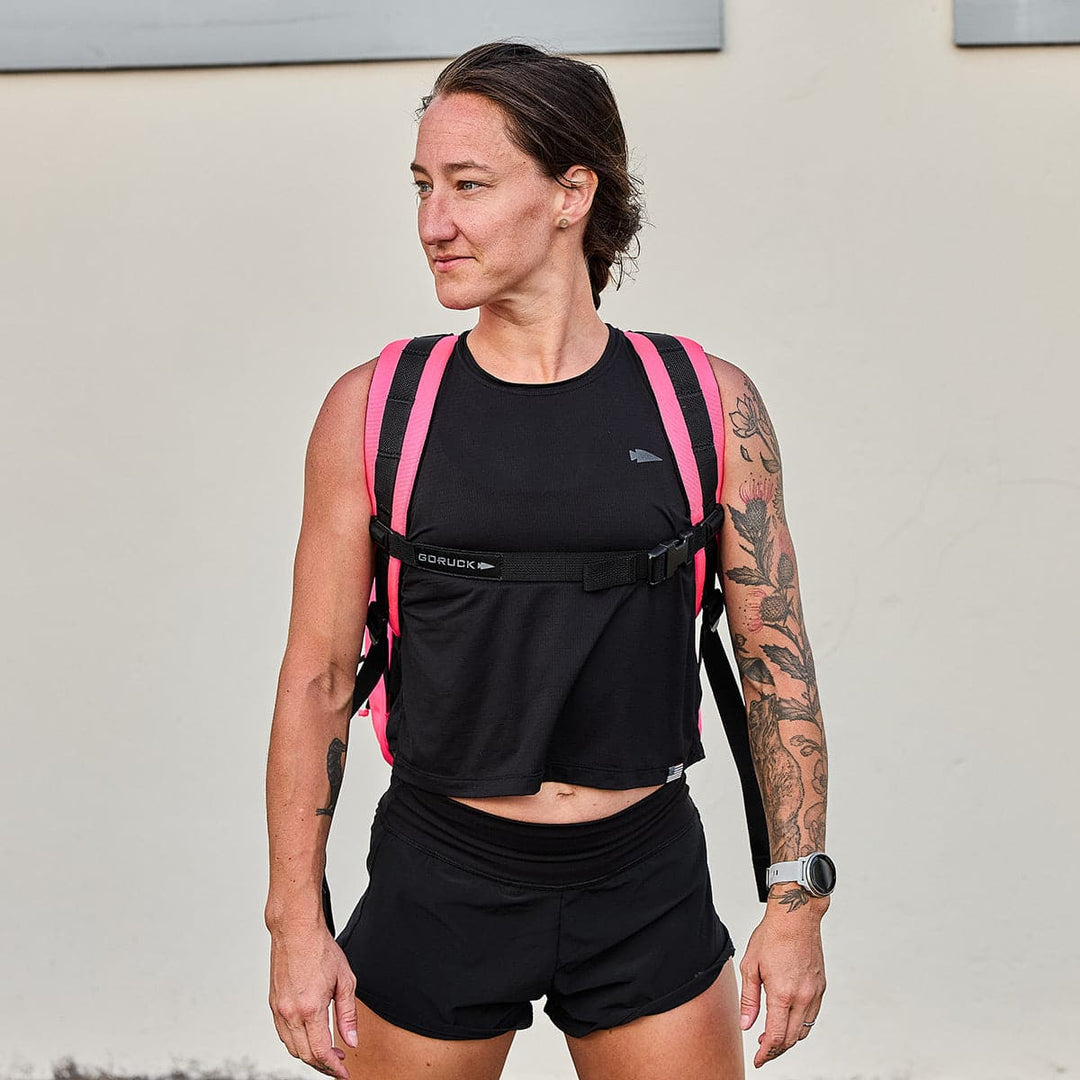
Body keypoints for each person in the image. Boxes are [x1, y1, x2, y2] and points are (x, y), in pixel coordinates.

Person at [264, 41, 831, 1080]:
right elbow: (313, 684)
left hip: (643, 875)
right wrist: (295, 925)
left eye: (469, 186)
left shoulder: (707, 401)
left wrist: (796, 901)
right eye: (424, 187)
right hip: (444, 872)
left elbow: (776, 666)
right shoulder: (376, 410)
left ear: (573, 193)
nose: (435, 222)